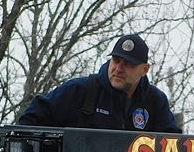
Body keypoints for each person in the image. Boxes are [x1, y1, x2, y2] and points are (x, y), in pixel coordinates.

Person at [18, 34, 181, 133]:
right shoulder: (79, 90)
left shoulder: (156, 101)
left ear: (144, 69)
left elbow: (174, 146)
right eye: (116, 60)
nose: (119, 68)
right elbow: (31, 121)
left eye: (128, 64)